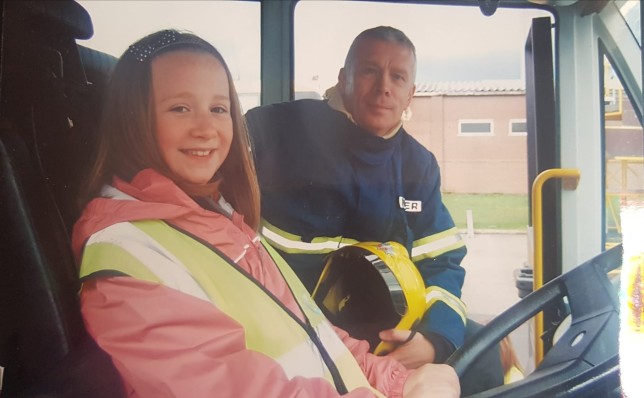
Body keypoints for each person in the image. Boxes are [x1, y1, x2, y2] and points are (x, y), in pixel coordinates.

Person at [71, 29, 459, 398]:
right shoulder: (137, 252)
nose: (206, 129)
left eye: (218, 108)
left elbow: (313, 333)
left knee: (476, 356)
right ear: (344, 79)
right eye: (180, 108)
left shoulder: (221, 220)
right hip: (332, 353)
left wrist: (427, 347)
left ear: (411, 93)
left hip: (372, 338)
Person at [246, 26, 503, 394]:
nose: (384, 87)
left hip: (383, 329)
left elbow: (442, 260)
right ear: (342, 78)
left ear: (410, 94)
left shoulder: (418, 165)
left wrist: (434, 339)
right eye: (370, 70)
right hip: (290, 325)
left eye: (397, 77)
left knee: (486, 353)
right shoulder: (274, 130)